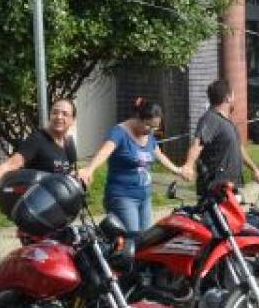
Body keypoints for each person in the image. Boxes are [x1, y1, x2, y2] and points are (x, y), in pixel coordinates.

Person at [79, 99, 186, 233]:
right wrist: (90, 169)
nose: (152, 130)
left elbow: (158, 153)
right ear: (138, 118)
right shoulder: (119, 132)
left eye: (156, 127)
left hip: (144, 197)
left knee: (146, 240)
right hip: (123, 197)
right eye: (149, 126)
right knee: (132, 239)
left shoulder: (149, 133)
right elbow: (105, 151)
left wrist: (177, 170)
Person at [183, 80, 259, 196]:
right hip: (216, 188)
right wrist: (188, 165)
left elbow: (240, 151)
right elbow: (197, 144)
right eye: (233, 96)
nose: (234, 99)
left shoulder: (227, 123)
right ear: (228, 98)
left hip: (232, 186)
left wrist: (255, 169)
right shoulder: (210, 119)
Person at [0, 98, 79, 194]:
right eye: (55, 112)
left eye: (65, 114)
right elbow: (11, 164)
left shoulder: (69, 144)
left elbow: (69, 172)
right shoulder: (38, 139)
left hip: (61, 204)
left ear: (72, 120)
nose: (59, 117)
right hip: (38, 203)